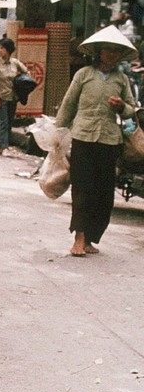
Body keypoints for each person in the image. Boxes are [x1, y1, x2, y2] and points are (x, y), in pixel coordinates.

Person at [54, 24, 138, 257]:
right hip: (83, 138)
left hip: (110, 141)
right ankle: (79, 238)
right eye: (107, 49)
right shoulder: (83, 75)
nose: (111, 54)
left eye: (116, 51)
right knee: (82, 189)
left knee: (103, 194)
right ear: (98, 51)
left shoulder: (121, 80)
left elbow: (132, 110)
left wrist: (122, 107)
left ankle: (91, 237)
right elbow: (68, 105)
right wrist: (57, 135)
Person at [0, 37, 28, 156]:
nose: (0, 50)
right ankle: (4, 146)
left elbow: (26, 72)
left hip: (13, 97)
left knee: (9, 122)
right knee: (3, 122)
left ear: (9, 50)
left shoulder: (15, 63)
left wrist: (21, 83)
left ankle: (3, 145)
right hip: (2, 97)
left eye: (3, 48)